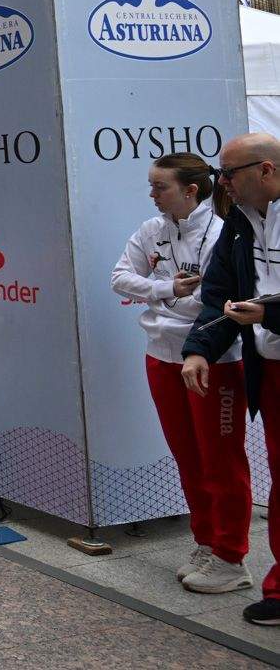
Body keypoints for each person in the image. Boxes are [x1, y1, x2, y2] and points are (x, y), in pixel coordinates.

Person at [111, 152, 246, 595]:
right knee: (187, 455)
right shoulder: (152, 230)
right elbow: (119, 278)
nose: (151, 194)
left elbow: (212, 302)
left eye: (159, 187)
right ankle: (207, 543)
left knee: (220, 459)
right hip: (161, 355)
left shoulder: (222, 233)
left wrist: (161, 298)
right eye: (151, 186)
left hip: (213, 359)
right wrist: (165, 289)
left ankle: (232, 555)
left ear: (190, 190)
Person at [183, 133, 280, 621]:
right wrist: (200, 348)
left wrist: (265, 314)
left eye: (231, 172)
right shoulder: (239, 223)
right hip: (269, 366)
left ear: (266, 170)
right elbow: (219, 292)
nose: (223, 182)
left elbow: (258, 306)